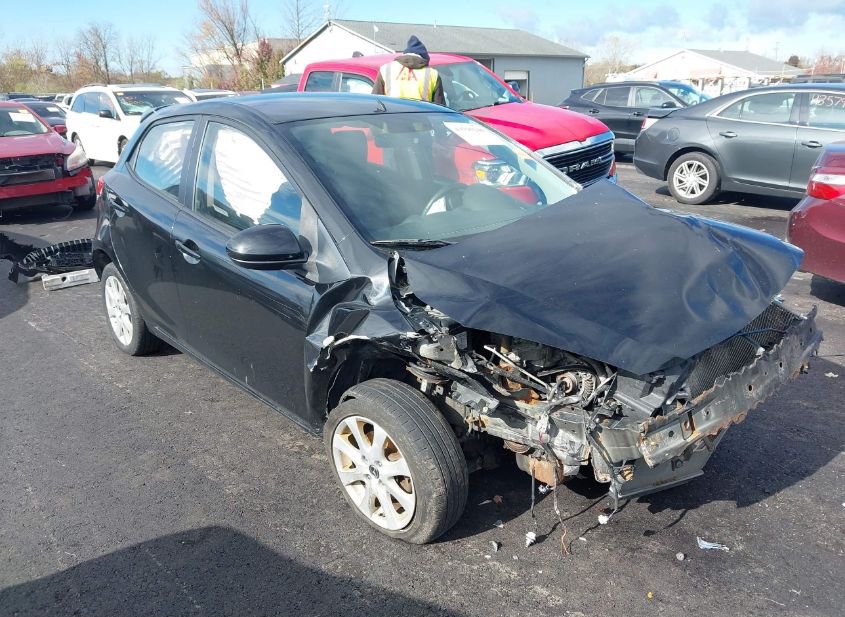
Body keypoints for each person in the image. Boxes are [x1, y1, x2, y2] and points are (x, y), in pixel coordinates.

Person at [372, 36, 446, 106]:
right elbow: (440, 109)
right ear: (424, 59)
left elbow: (375, 102)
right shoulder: (433, 74)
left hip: (391, 117)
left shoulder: (386, 69)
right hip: (421, 118)